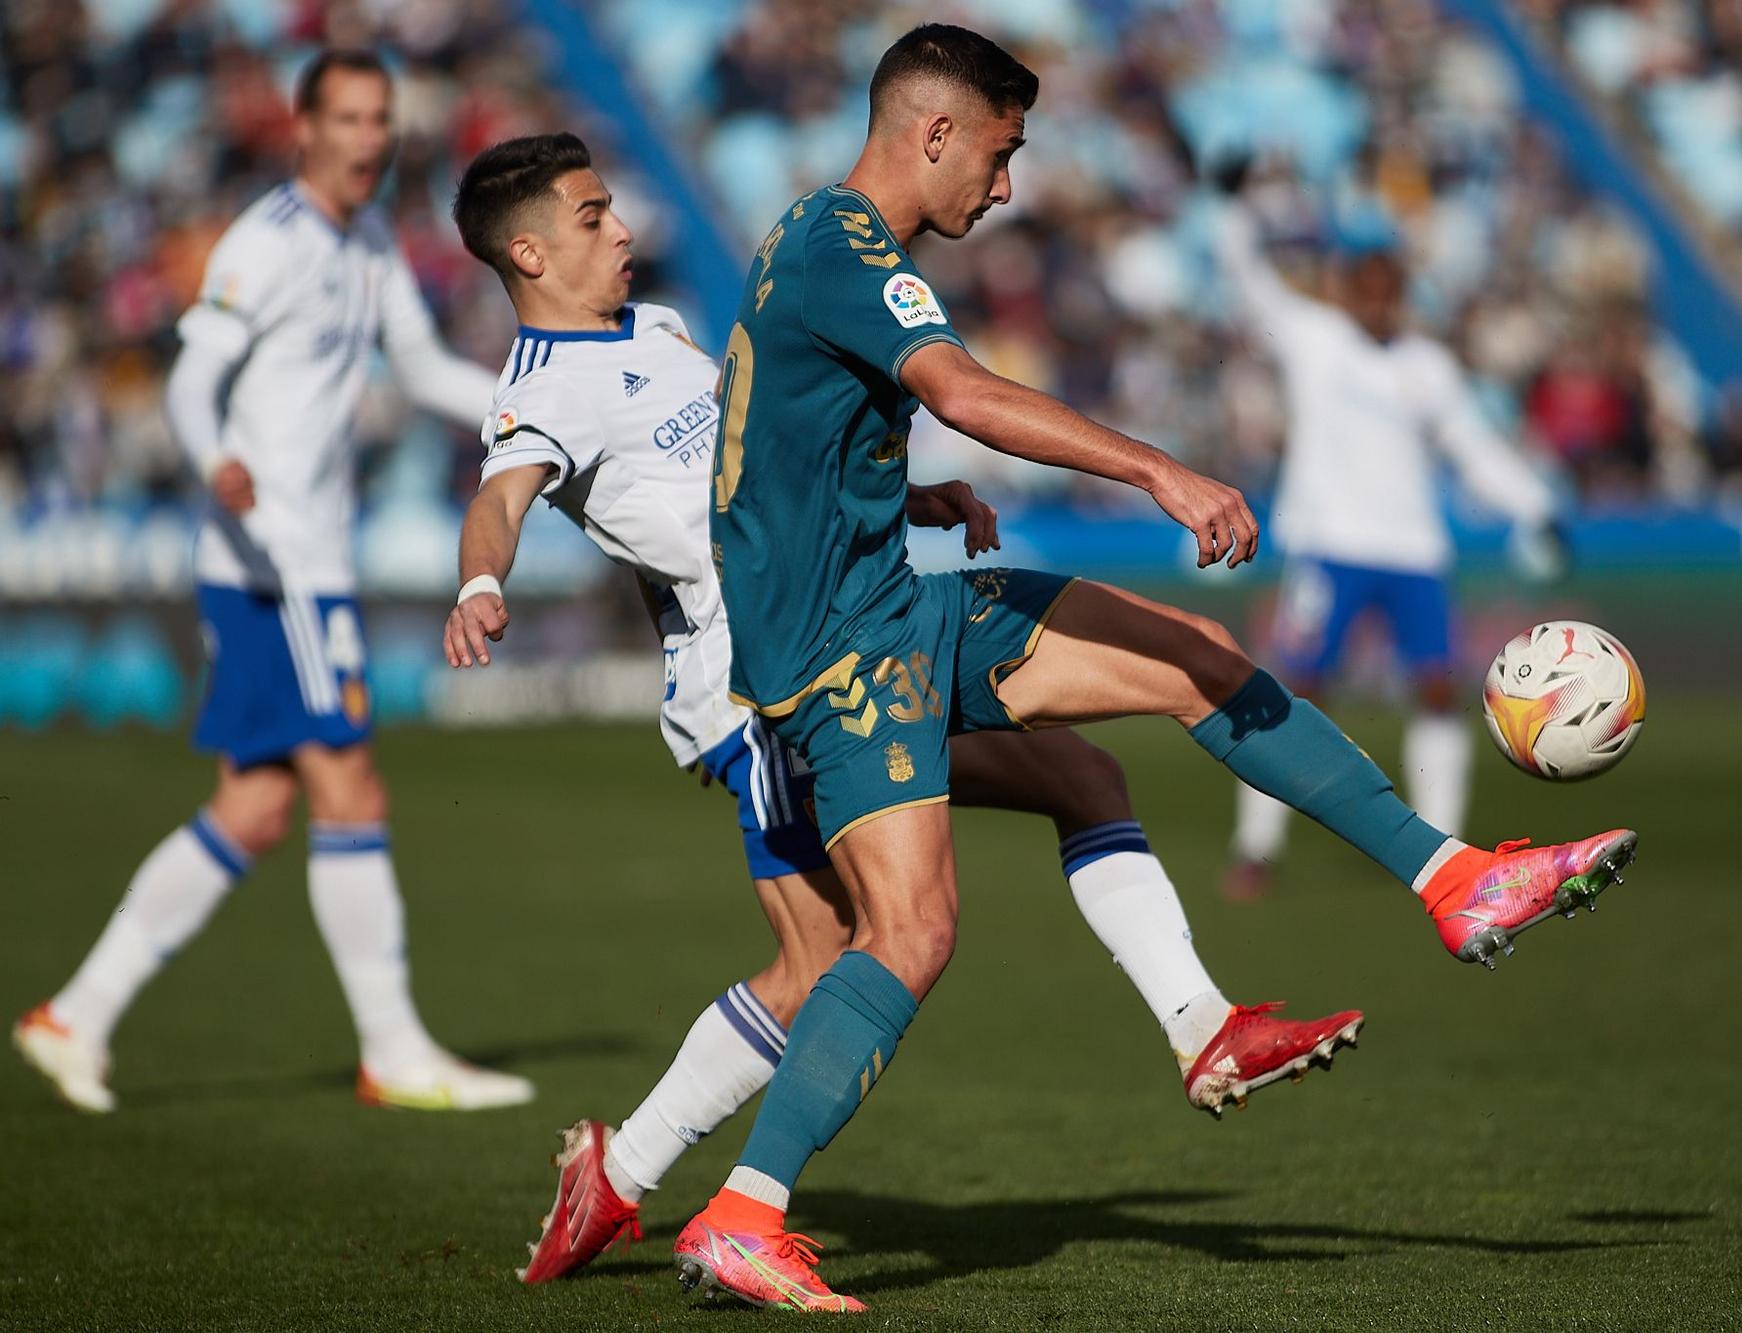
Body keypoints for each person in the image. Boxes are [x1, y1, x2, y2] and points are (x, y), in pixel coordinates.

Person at [676, 23, 1638, 1312]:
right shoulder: (842, 242)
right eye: (1001, 154)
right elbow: (957, 388)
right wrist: (1157, 469)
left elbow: (779, 449)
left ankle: (1451, 881)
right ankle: (742, 1215)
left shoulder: (822, 245)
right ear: (936, 131)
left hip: (888, 602)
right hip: (843, 655)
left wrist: (908, 502)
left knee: (1191, 662)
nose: (1006, 187)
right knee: (908, 932)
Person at [439, 133, 1368, 1282]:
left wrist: (906, 492)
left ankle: (1199, 1025)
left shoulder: (660, 331)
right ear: (527, 250)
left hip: (841, 631)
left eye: (613, 208)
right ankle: (653, 1184)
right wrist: (482, 580)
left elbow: (755, 462)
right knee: (857, 950)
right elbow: (498, 498)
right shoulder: (537, 392)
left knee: (1056, 795)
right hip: (755, 687)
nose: (621, 229)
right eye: (590, 218)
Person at [11, 51, 531, 1114]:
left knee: (252, 808)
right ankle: (392, 1049)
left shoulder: (372, 240)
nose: (368, 137)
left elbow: (426, 369)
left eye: (380, 117)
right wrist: (217, 466)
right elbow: (196, 380)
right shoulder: (269, 241)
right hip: (276, 561)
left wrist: (534, 408)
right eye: (345, 117)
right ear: (303, 129)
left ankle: (76, 1014)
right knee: (352, 786)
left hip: (300, 561)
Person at [1209, 197, 1563, 902]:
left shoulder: (1427, 366)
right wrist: (1233, 212)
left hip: (1412, 551)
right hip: (1329, 547)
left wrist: (1537, 506)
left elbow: (1475, 449)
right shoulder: (1313, 337)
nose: (1376, 301)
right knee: (1294, 695)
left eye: (1388, 289)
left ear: (1402, 294)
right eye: (1364, 287)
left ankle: (1444, 855)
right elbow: (1251, 283)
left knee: (1438, 690)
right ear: (1345, 289)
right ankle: (1257, 847)